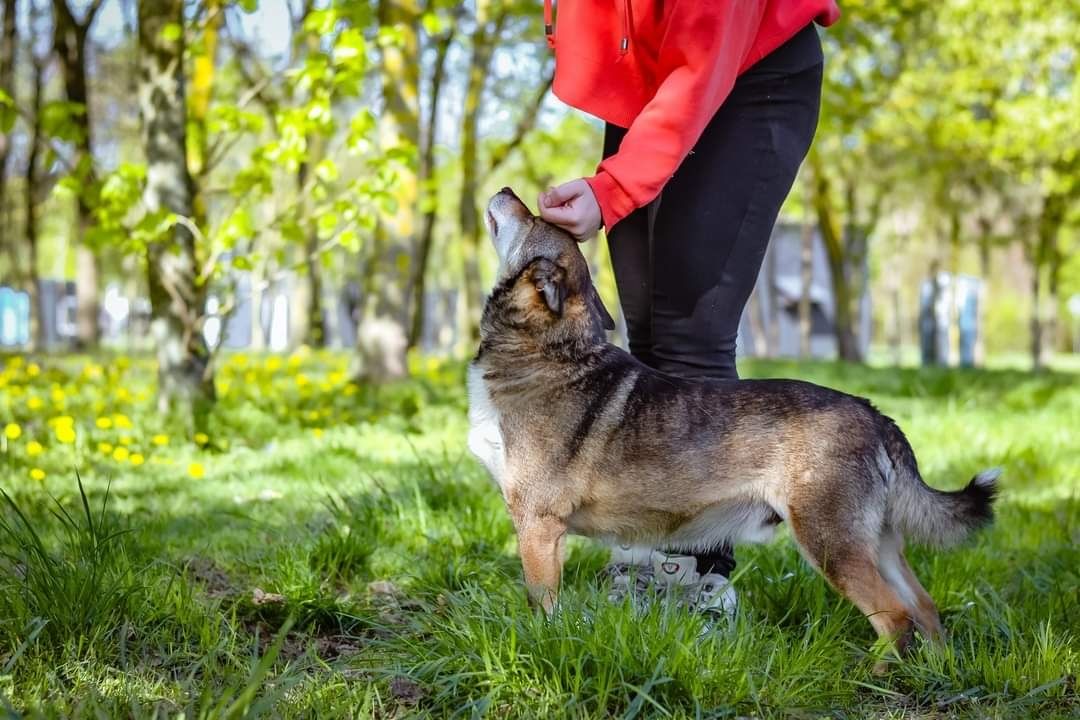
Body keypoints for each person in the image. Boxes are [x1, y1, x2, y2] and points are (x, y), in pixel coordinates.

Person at [536, 0, 840, 619]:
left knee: (690, 331)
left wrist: (612, 190)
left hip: (748, 78)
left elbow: (702, 61)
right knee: (646, 335)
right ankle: (648, 551)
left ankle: (700, 577)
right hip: (653, 85)